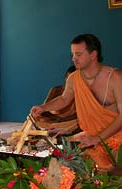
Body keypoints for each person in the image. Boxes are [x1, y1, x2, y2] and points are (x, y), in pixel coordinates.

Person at [31, 34, 122, 170]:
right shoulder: (74, 78)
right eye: (73, 54)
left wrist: (97, 139)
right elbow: (63, 99)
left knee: (110, 167)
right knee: (61, 155)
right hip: (90, 135)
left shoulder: (115, 77)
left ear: (93, 55)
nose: (74, 58)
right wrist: (43, 107)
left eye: (78, 54)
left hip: (116, 136)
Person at [35, 65, 79, 135]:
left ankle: (52, 129)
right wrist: (41, 109)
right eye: (68, 78)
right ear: (65, 79)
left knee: (78, 123)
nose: (71, 81)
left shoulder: (83, 93)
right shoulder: (56, 90)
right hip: (52, 120)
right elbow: (44, 111)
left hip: (68, 123)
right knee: (33, 120)